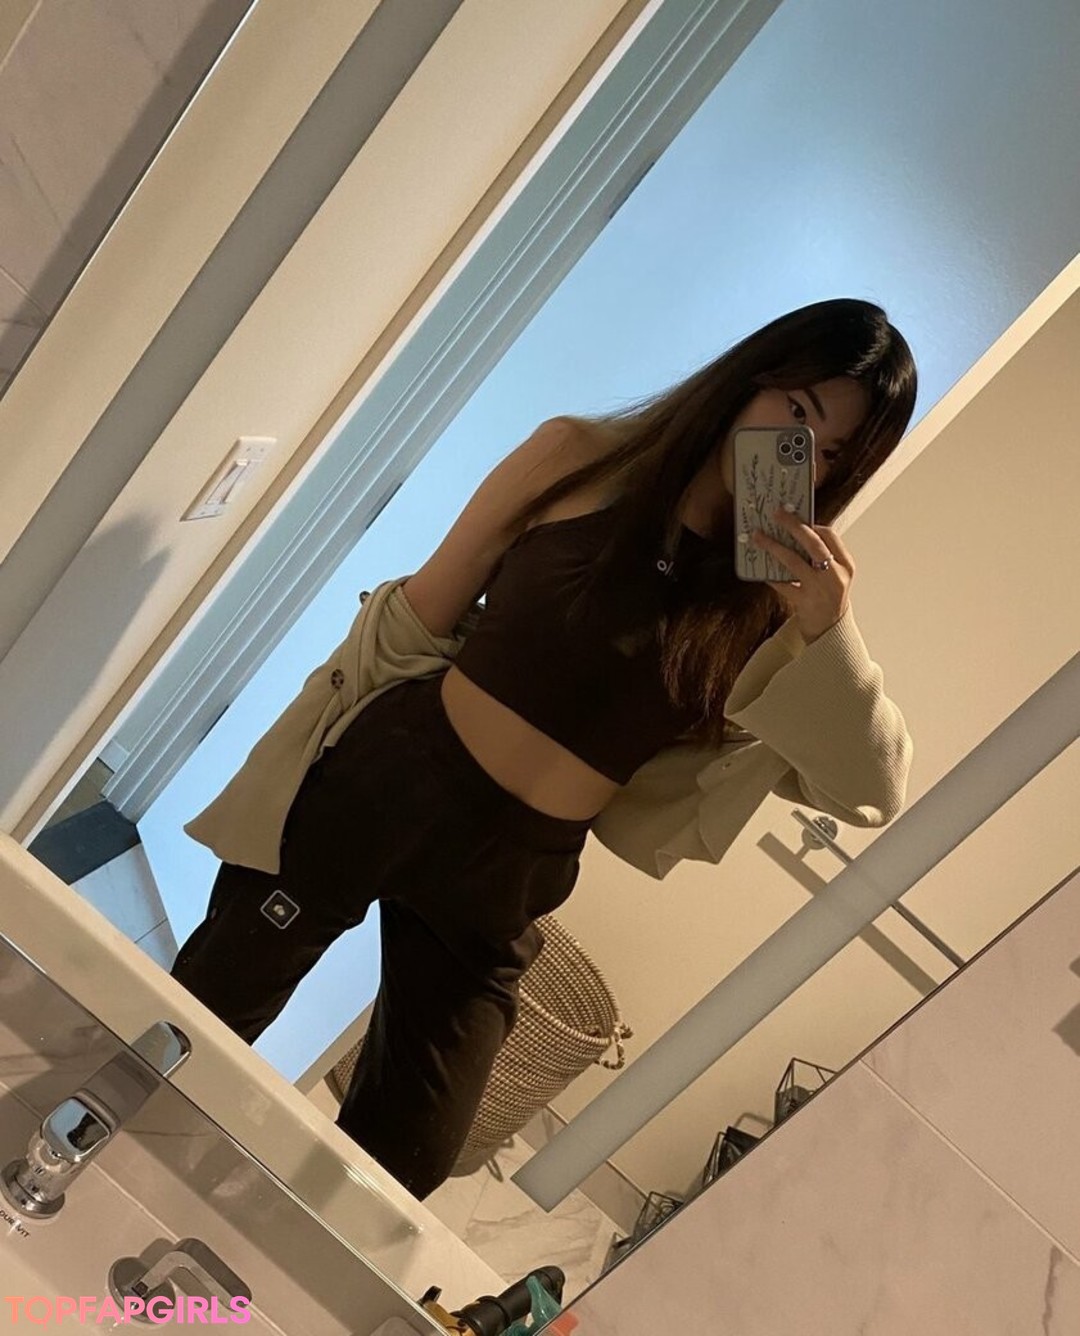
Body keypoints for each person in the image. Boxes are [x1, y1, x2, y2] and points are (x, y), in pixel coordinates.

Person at [172, 297, 917, 1199]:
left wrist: (830, 630)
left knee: (404, 1161)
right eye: (795, 412)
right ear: (750, 378)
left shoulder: (775, 608)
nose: (799, 453)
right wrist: (294, 765)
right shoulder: (576, 459)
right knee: (199, 1016)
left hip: (513, 873)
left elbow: (872, 792)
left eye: (830, 452)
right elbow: (420, 614)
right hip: (396, 778)